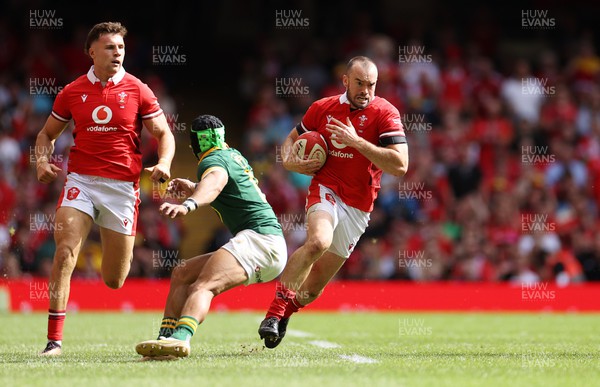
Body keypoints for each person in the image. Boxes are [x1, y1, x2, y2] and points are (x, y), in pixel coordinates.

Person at [35, 22, 175, 356]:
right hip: (81, 181)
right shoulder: (71, 91)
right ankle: (54, 341)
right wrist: (42, 161)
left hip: (122, 190)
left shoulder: (138, 89)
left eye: (121, 48)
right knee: (65, 252)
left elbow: (164, 133)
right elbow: (45, 135)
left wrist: (165, 163)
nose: (117, 53)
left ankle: (109, 267)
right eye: (110, 47)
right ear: (92, 51)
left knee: (114, 279)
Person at [258, 56, 409, 348]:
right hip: (326, 188)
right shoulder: (322, 108)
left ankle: (286, 312)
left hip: (359, 206)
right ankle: (273, 314)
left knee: (313, 289)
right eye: (360, 83)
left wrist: (357, 143)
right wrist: (291, 163)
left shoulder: (384, 113)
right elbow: (290, 140)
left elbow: (401, 165)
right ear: (345, 81)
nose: (366, 90)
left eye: (372, 85)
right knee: (318, 242)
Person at [135, 114, 287, 358]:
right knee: (183, 273)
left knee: (203, 285)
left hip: (259, 241)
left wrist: (188, 205)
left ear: (196, 144)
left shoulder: (212, 160)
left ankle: (181, 339)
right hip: (266, 245)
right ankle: (165, 339)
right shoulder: (232, 154)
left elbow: (215, 184)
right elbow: (225, 186)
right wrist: (194, 187)